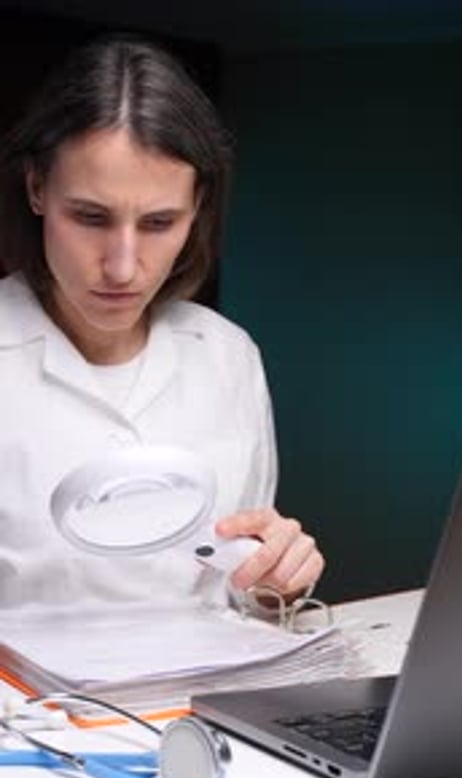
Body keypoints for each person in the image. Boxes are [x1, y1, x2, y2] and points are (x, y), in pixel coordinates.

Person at [0, 32, 325, 617]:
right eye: (90, 217)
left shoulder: (226, 356)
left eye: (158, 222)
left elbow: (240, 602)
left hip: (194, 702)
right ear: (35, 188)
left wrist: (274, 581)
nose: (123, 266)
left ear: (197, 209)